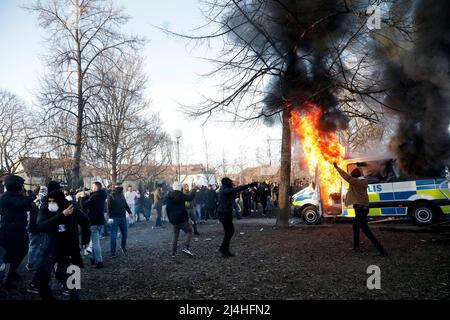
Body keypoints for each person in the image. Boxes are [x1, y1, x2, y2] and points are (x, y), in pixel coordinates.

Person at [31, 187, 90, 300]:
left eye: (54, 201)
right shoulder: (45, 209)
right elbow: (41, 226)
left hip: (68, 248)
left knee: (71, 278)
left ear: (61, 201)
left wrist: (85, 240)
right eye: (49, 201)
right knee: (40, 281)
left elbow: (86, 221)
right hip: (49, 248)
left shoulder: (71, 208)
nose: (51, 203)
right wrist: (61, 215)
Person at [333, 163, 388, 257]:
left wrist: (337, 168)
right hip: (362, 208)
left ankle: (381, 250)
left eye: (352, 176)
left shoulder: (356, 182)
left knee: (365, 230)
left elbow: (346, 176)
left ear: (355, 177)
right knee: (355, 226)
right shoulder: (362, 180)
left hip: (361, 209)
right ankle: (356, 246)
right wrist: (358, 166)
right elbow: (356, 173)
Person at [0, 175, 36, 290]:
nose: (22, 187)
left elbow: (28, 207)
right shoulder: (6, 196)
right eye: (20, 185)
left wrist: (26, 198)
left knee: (23, 250)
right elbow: (20, 205)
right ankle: (5, 280)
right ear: (16, 186)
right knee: (10, 255)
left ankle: (12, 272)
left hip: (20, 229)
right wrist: (33, 195)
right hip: (10, 231)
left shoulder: (17, 196)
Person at [217, 178, 257, 257]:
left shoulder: (224, 189)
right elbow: (236, 190)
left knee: (229, 232)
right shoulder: (224, 190)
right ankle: (223, 250)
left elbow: (234, 192)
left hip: (226, 213)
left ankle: (224, 249)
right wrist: (249, 185)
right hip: (224, 214)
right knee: (229, 232)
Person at [80, 182, 108, 269]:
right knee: (93, 241)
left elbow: (83, 206)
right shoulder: (101, 195)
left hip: (93, 222)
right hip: (100, 221)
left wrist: (82, 197)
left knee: (95, 243)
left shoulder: (95, 196)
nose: (91, 188)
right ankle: (93, 258)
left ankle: (100, 261)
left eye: (92, 187)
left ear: (96, 187)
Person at [166, 182, 196, 258]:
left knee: (175, 235)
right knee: (190, 231)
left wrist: (170, 219)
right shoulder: (181, 195)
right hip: (182, 219)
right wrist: (194, 189)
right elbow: (190, 198)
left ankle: (173, 253)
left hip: (173, 219)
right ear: (180, 187)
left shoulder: (169, 196)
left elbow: (167, 209)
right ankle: (186, 248)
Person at [107, 184, 132, 257]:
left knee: (125, 234)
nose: (121, 187)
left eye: (121, 186)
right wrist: (110, 218)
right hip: (114, 218)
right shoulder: (111, 195)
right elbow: (108, 207)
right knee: (113, 236)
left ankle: (123, 247)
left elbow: (125, 204)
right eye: (119, 186)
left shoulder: (122, 194)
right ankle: (113, 252)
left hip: (123, 218)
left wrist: (130, 212)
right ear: (115, 187)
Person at [26, 187, 43, 271]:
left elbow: (28, 216)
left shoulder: (33, 202)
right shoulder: (45, 201)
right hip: (39, 228)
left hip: (34, 227)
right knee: (38, 246)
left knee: (33, 246)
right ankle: (34, 263)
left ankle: (31, 263)